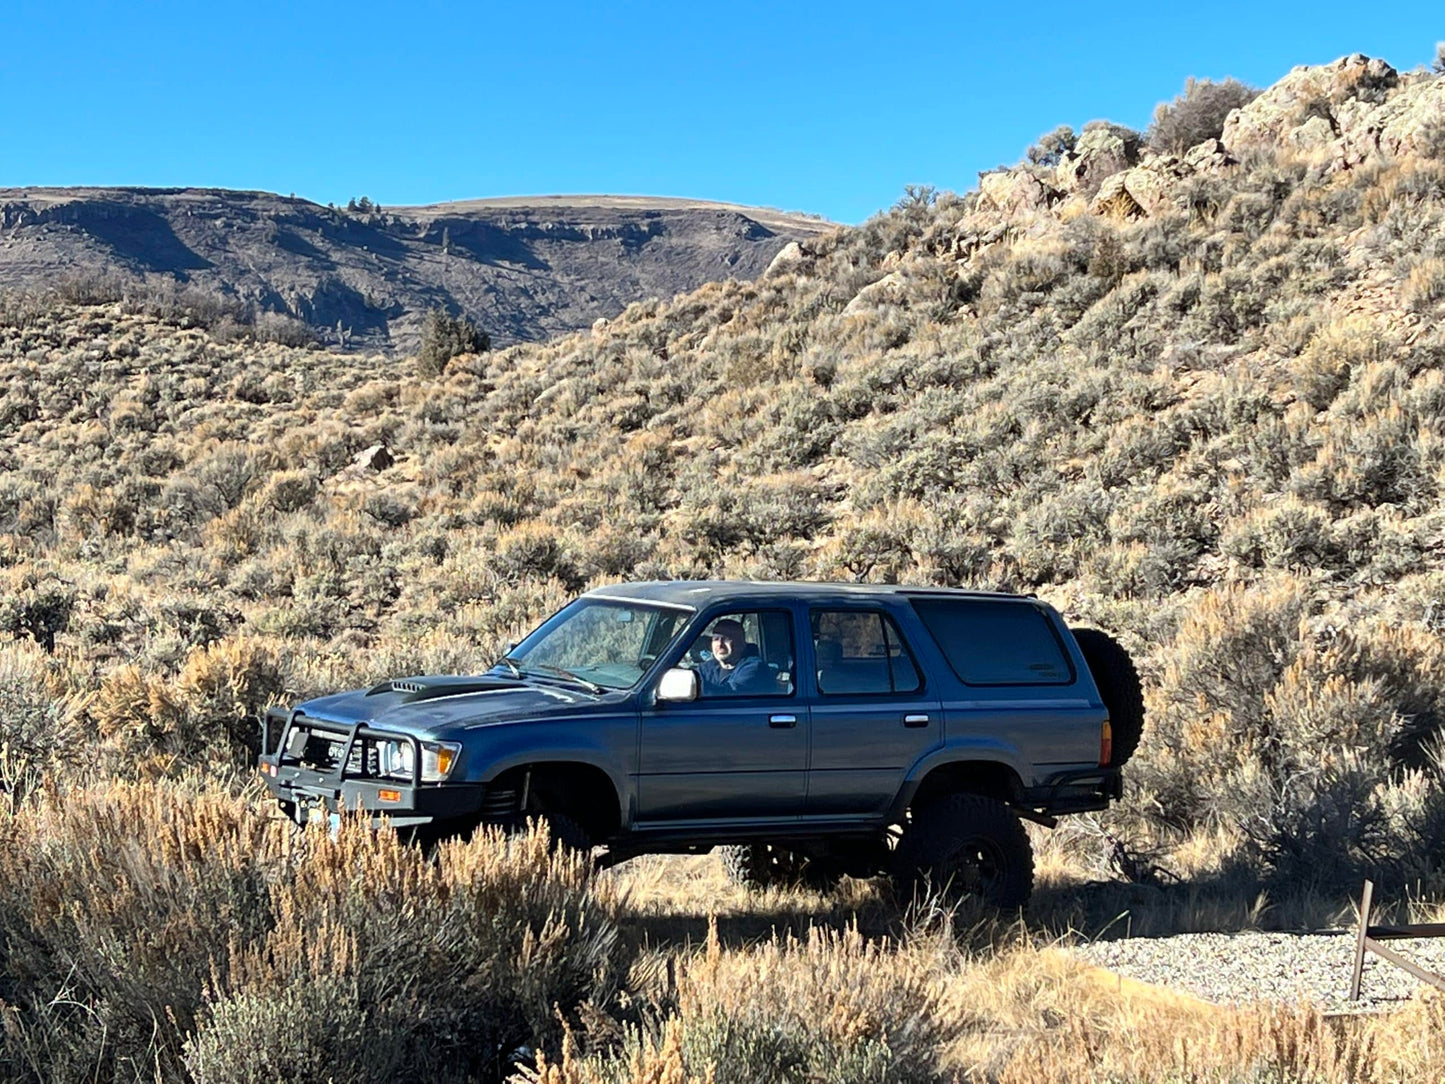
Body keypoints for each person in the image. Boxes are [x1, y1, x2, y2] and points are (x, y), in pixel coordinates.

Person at [698, 618, 774, 695]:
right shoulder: (707, 668)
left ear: (741, 643)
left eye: (726, 639)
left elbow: (731, 693)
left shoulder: (755, 668)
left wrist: (697, 688)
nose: (720, 644)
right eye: (716, 639)